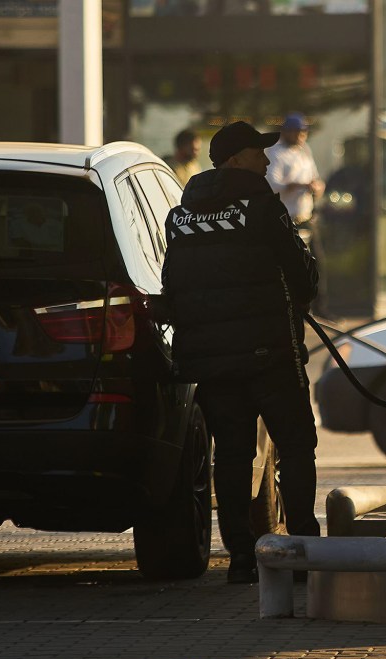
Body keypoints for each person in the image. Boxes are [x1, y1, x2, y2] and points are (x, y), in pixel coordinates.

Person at [161, 121, 321, 584]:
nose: (267, 161)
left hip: (210, 361)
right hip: (270, 354)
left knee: (230, 454)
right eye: (257, 153)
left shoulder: (180, 217)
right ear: (235, 160)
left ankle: (241, 558)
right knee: (295, 446)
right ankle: (302, 551)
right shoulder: (263, 208)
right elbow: (303, 275)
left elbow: (173, 285)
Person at [265, 112, 327, 316]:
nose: (301, 136)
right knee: (293, 267)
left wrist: (316, 186)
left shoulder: (304, 150)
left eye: (303, 132)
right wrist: (301, 185)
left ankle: (320, 309)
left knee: (317, 265)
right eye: (296, 132)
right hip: (288, 220)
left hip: (306, 218)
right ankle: (294, 309)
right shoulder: (275, 153)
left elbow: (315, 177)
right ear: (287, 132)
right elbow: (273, 185)